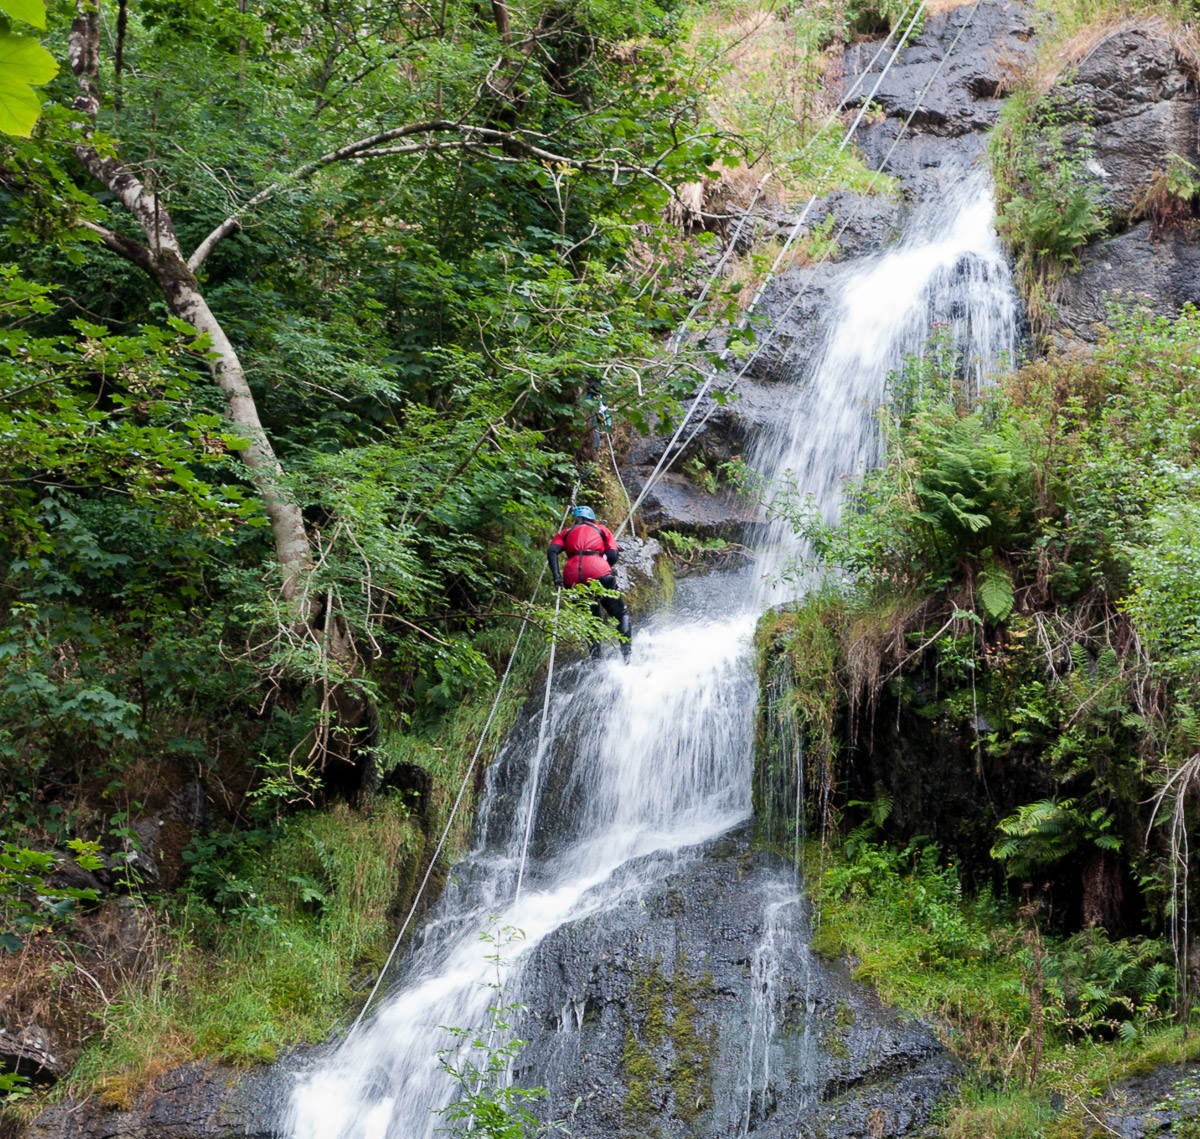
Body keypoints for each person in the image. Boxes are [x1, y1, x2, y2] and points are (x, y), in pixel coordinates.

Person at [548, 505, 632, 661]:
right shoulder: (601, 529)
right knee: (621, 615)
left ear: (575, 520)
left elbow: (552, 551)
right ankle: (627, 657)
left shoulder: (566, 533)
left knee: (590, 621)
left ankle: (596, 660)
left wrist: (557, 577)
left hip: (572, 578)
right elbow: (613, 555)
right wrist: (603, 563)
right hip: (598, 572)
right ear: (592, 519)